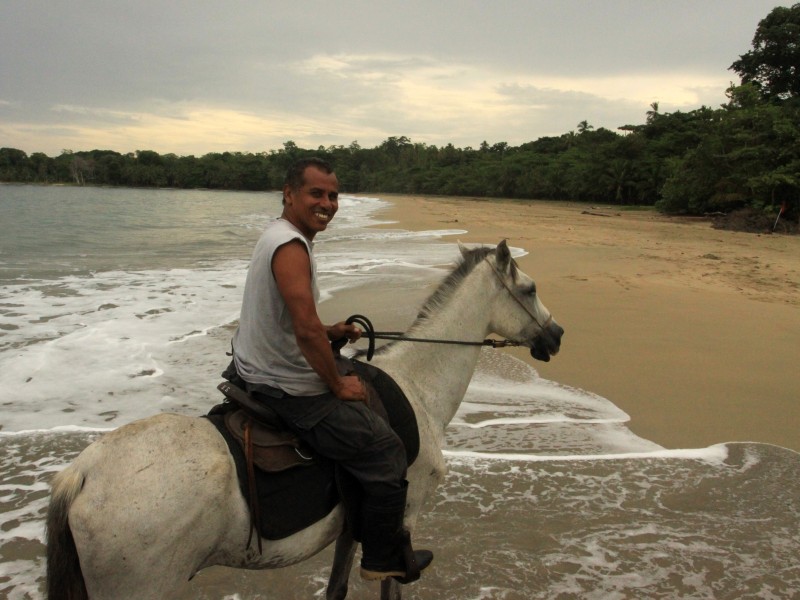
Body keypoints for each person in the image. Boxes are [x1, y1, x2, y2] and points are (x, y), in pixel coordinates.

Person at [231, 157, 432, 582]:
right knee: (386, 449)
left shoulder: (277, 235)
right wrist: (336, 384)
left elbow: (295, 323)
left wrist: (331, 330)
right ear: (289, 194)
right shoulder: (291, 247)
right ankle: (382, 556)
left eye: (333, 195)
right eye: (316, 193)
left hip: (253, 366)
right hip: (283, 383)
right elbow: (303, 331)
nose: (327, 203)